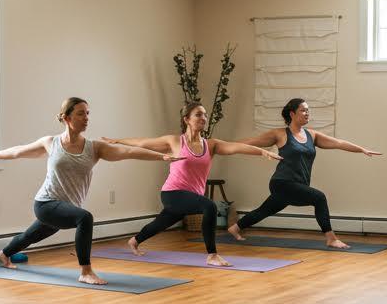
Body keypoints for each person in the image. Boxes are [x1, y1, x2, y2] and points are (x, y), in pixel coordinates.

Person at [0, 97, 178, 285]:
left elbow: (128, 152)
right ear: (67, 118)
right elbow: (19, 151)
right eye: (80, 114)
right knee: (84, 218)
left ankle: (4, 254)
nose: (86, 118)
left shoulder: (94, 148)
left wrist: (161, 157)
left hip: (65, 206)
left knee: (29, 236)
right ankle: (86, 272)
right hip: (46, 203)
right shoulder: (51, 142)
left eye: (87, 113)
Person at [102, 103, 280, 267]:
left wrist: (263, 152)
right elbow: (142, 143)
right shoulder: (174, 142)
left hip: (190, 197)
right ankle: (212, 255)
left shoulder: (211, 145)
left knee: (160, 224)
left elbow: (237, 147)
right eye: (198, 115)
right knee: (209, 205)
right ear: (186, 119)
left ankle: (134, 240)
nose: (203, 118)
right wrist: (118, 141)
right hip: (172, 193)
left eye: (205, 115)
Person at [228, 98, 381, 250]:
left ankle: (235, 228)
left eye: (308, 110)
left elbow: (338, 143)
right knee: (319, 197)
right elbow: (251, 142)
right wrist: (225, 145)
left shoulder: (312, 135)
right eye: (303, 110)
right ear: (292, 114)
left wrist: (361, 149)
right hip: (282, 183)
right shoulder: (280, 134)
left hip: (298, 184)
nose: (307, 113)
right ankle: (331, 238)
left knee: (265, 210)